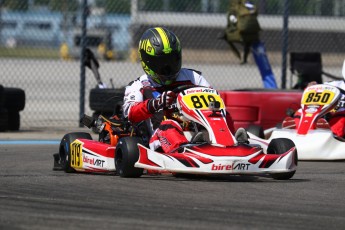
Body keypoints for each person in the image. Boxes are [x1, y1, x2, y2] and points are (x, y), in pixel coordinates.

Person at [123, 27, 235, 153]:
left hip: (195, 131)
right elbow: (130, 114)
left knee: (220, 114)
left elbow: (213, 99)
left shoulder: (193, 77)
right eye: (162, 63)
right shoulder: (139, 85)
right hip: (161, 140)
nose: (168, 68)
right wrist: (156, 103)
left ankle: (232, 143)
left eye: (172, 60)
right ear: (147, 61)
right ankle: (183, 151)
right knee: (169, 125)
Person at [294, 60, 345, 137]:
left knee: (340, 119)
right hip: (323, 116)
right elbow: (318, 91)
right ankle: (296, 129)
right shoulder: (333, 85)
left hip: (339, 124)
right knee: (301, 112)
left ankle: (330, 135)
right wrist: (312, 88)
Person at [223, 0, 261, 64]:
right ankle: (244, 57)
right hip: (253, 31)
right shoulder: (249, 5)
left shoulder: (237, 6)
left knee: (227, 36)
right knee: (248, 41)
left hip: (243, 30)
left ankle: (241, 57)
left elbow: (232, 19)